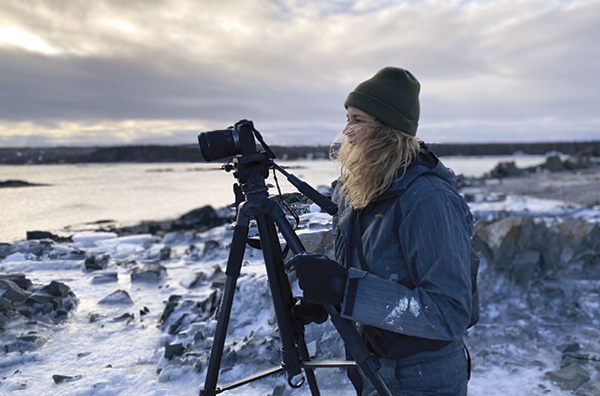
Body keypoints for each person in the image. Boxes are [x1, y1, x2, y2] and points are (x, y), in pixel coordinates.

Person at [294, 67, 475, 395]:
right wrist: (328, 299)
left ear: (388, 130)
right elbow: (378, 270)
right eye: (347, 118)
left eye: (358, 120)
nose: (346, 131)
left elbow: (449, 312)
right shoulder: (363, 189)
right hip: (374, 368)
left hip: (424, 379)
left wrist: (344, 289)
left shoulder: (427, 199)